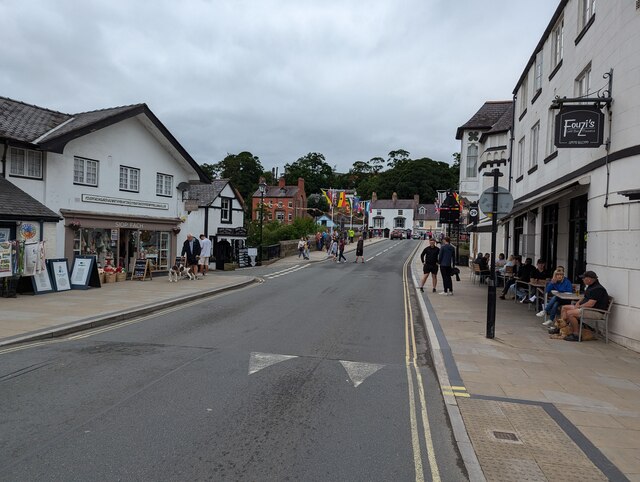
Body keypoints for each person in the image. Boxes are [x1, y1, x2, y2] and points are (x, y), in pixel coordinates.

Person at [556, 271, 609, 341]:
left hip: (596, 312)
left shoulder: (598, 289)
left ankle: (576, 334)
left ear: (589, 279)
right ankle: (562, 328)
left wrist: (579, 306)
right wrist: (578, 303)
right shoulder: (591, 286)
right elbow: (585, 297)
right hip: (586, 308)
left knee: (570, 313)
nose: (582, 280)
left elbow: (591, 304)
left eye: (584, 278)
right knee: (564, 308)